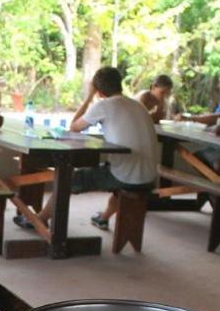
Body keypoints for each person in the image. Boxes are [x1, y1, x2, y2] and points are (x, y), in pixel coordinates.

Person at [15, 66, 158, 232]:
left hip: (126, 176)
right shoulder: (138, 105)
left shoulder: (105, 105)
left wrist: (89, 96)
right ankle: (103, 218)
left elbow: (73, 127)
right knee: (117, 171)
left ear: (98, 90)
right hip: (150, 177)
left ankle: (41, 220)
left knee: (68, 180)